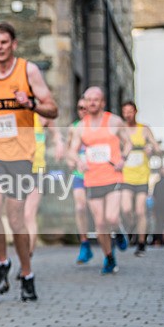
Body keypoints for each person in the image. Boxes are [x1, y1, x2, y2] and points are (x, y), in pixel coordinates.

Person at [0, 22, 59, 302]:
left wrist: (30, 104)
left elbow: (52, 108)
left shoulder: (28, 71)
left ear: (13, 44)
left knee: (16, 217)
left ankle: (27, 274)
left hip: (21, 154)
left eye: (4, 42)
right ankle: (2, 262)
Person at [68, 87, 130, 274]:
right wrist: (79, 162)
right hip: (92, 179)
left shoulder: (114, 121)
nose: (92, 103)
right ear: (85, 103)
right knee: (100, 223)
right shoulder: (80, 127)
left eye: (96, 99)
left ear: (103, 102)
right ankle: (109, 257)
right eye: (89, 100)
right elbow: (72, 150)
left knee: (111, 217)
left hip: (113, 177)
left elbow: (128, 142)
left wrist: (123, 159)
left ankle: (118, 230)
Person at [120, 101, 161, 257]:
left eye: (130, 111)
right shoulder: (121, 130)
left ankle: (141, 243)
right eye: (125, 112)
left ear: (135, 112)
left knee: (140, 211)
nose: (128, 114)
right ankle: (130, 229)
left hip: (142, 176)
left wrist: (151, 148)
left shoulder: (143, 129)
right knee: (126, 209)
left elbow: (157, 149)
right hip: (125, 176)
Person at [23, 112, 64, 260]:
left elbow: (55, 130)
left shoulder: (40, 116)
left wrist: (59, 142)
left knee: (29, 214)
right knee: (18, 217)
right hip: (16, 171)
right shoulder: (15, 116)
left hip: (37, 171)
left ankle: (27, 257)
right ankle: (24, 254)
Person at [67, 97, 93, 264]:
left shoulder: (100, 127)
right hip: (79, 174)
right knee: (80, 207)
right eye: (80, 108)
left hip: (99, 174)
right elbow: (70, 151)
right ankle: (84, 243)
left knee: (100, 213)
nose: (83, 111)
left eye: (86, 108)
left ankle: (114, 235)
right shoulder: (73, 128)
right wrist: (72, 162)